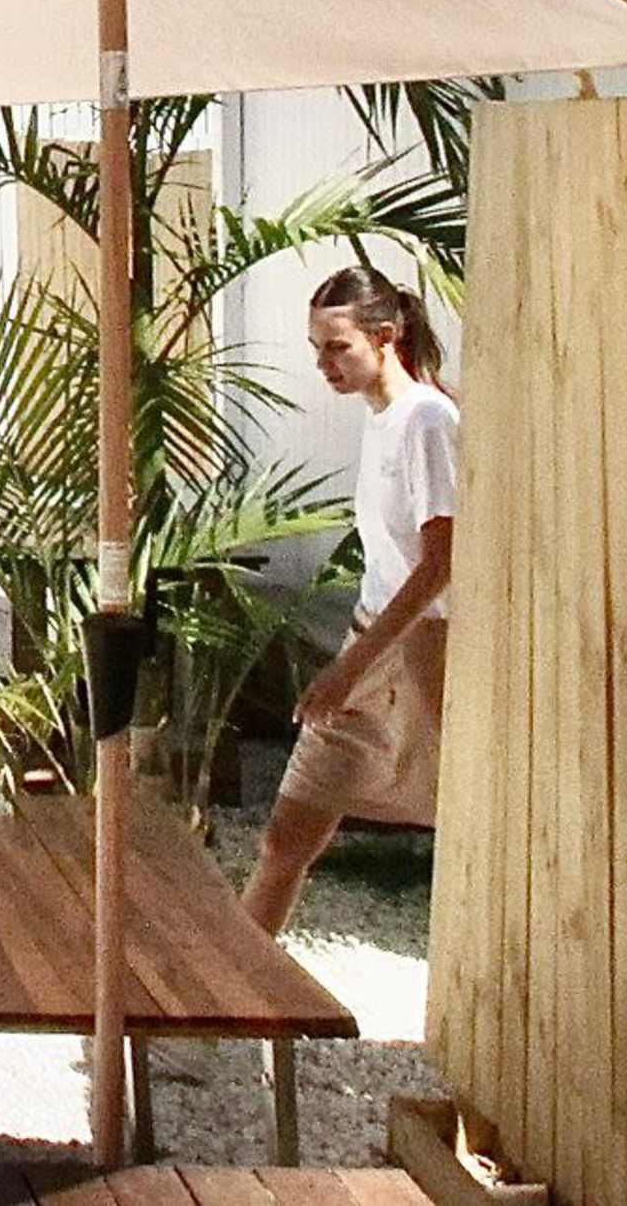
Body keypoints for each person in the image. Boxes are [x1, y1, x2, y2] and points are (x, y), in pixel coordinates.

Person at [243, 264, 457, 934]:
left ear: (387, 335)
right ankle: (241, 993)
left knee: (457, 825)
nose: (325, 364)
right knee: (284, 838)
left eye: (338, 347)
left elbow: (440, 566)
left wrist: (348, 668)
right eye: (317, 350)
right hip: (370, 637)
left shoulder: (428, 421)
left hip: (417, 649)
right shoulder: (382, 420)